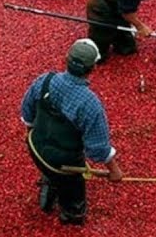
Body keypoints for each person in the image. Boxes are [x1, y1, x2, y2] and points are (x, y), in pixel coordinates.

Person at [20, 38, 123, 225]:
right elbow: (98, 149)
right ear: (93, 67)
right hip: (65, 165)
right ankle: (70, 214)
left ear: (67, 58)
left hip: (35, 148)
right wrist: (115, 171)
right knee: (73, 194)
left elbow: (27, 113)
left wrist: (34, 135)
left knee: (50, 169)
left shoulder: (44, 80)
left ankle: (49, 183)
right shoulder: (90, 104)